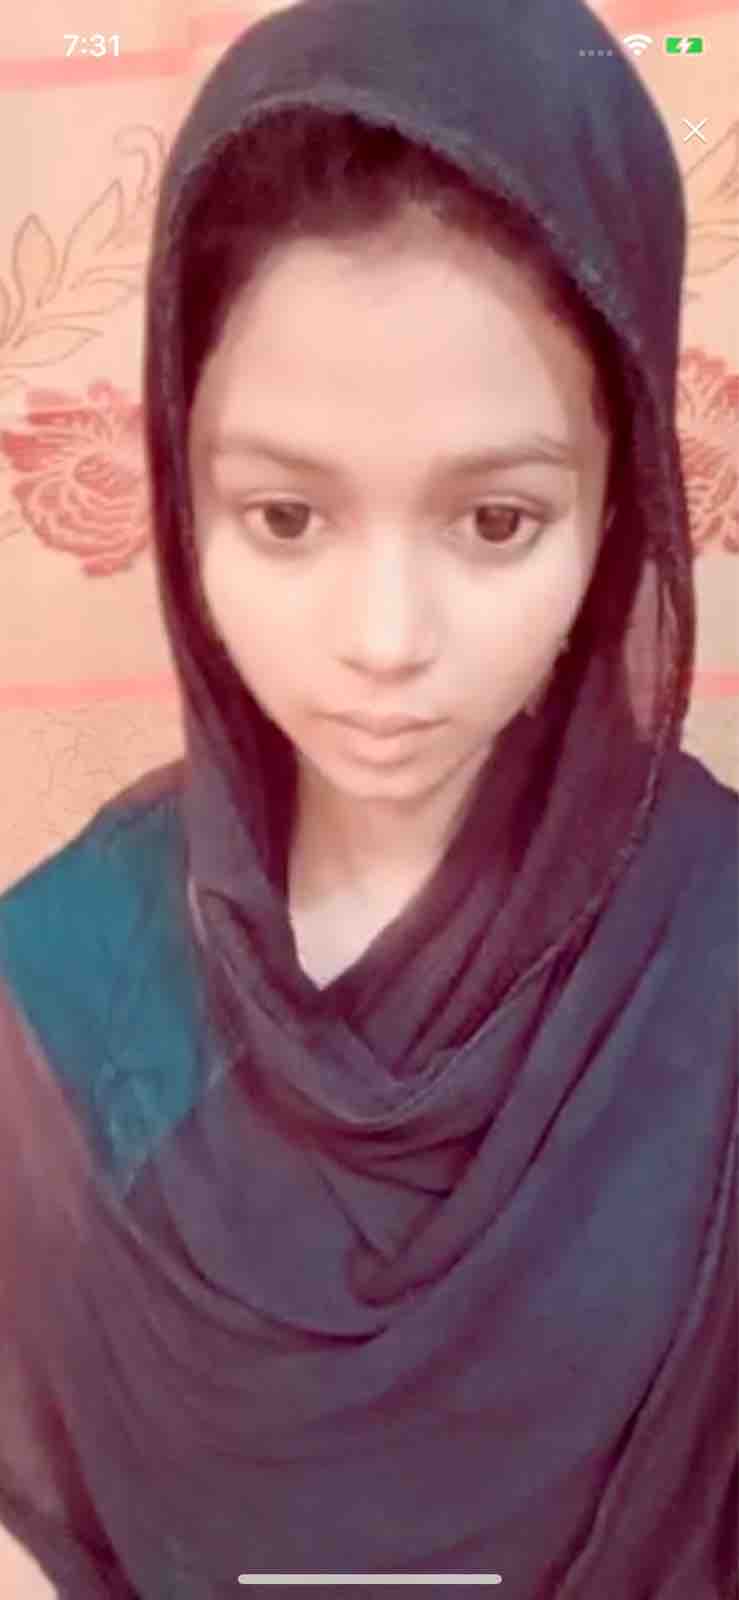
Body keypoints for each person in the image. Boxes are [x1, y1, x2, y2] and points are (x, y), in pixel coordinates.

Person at [0, 0, 736, 1595]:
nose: (387, 642)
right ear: (183, 489)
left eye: (495, 521)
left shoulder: (724, 958)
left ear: (620, 508)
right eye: (284, 516)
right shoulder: (58, 990)